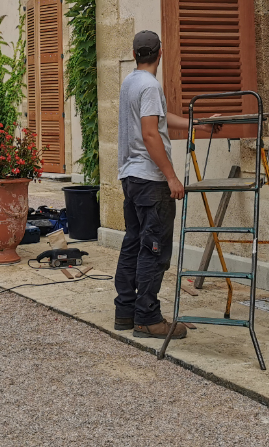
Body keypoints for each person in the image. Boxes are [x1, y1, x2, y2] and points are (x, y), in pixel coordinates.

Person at [113, 29, 220, 339]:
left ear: (135, 55)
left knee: (133, 244)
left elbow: (158, 120)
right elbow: (150, 134)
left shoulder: (131, 82)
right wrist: (171, 175)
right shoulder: (150, 86)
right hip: (151, 181)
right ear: (160, 53)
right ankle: (147, 318)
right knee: (154, 250)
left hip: (132, 178)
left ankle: (126, 311)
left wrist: (198, 124)